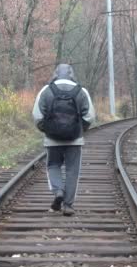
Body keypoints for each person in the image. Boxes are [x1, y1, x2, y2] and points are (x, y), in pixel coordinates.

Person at [32, 64, 96, 216]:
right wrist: (80, 129)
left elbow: (37, 116)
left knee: (53, 165)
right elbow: (90, 117)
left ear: (55, 74)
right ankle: (68, 205)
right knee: (72, 171)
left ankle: (58, 190)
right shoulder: (81, 91)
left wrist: (47, 129)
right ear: (71, 74)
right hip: (75, 140)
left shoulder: (46, 90)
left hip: (52, 139)